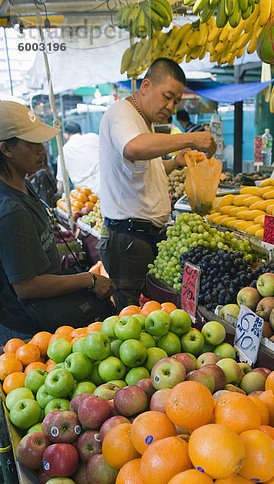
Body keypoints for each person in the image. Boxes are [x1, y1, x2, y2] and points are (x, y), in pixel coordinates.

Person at [99, 58, 217, 311]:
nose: (170, 106)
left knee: (148, 313)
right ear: (146, 86)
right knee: (130, 317)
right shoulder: (122, 114)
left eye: (176, 101)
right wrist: (193, 138)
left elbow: (144, 169)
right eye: (167, 97)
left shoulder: (143, 121)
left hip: (140, 237)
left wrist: (175, 163)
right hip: (128, 238)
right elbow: (133, 148)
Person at [0, 101, 116, 342]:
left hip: (42, 315)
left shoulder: (24, 185)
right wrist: (88, 279)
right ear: (6, 149)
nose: (42, 150)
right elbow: (27, 286)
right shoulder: (10, 209)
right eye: (32, 144)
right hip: (28, 331)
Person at [56, 121, 100, 195]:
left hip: (85, 196)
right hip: (105, 186)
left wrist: (57, 196)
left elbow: (61, 183)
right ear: (81, 133)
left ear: (65, 136)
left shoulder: (63, 151)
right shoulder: (93, 137)